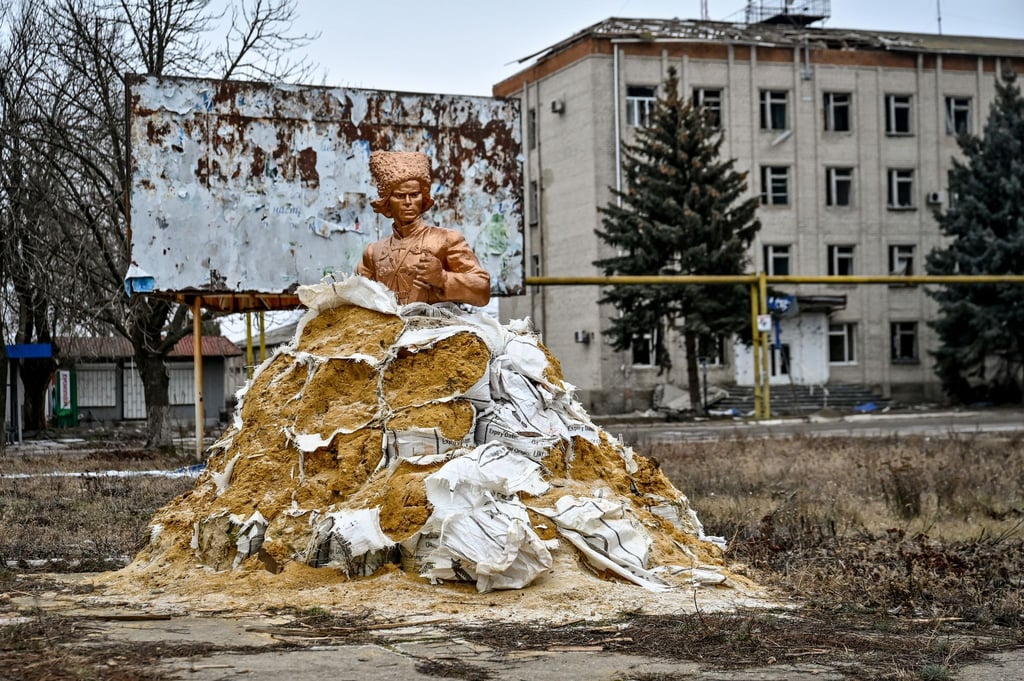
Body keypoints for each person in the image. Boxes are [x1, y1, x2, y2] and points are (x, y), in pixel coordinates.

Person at [356, 150, 491, 306]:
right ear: (387, 201)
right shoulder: (373, 252)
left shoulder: (446, 240)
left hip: (436, 328)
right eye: (400, 196)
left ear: (423, 198)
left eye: (414, 195)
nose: (408, 202)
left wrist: (443, 278)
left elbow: (482, 289)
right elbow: (358, 297)